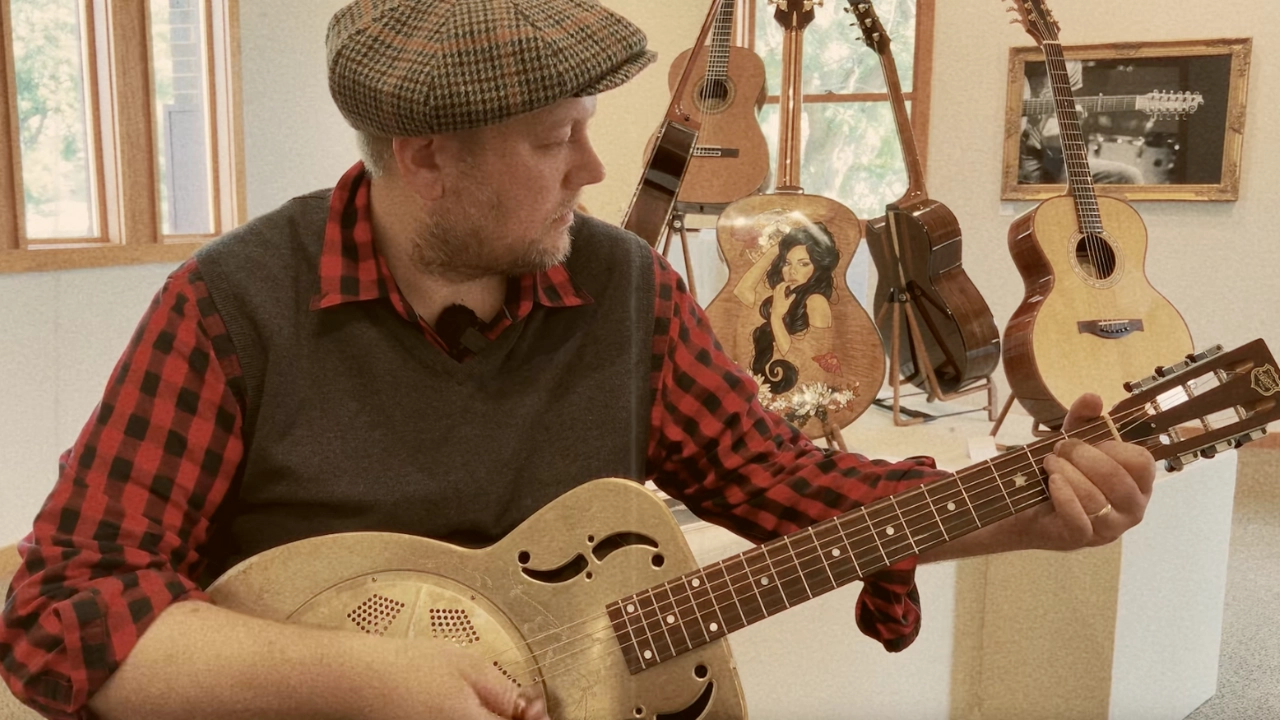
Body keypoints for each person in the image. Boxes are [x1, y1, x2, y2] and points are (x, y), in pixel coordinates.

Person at [1, 1, 1156, 719]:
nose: (593, 172)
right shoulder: (232, 307)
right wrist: (372, 678)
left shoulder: (622, 289)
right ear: (427, 159)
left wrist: (1026, 511)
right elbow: (60, 608)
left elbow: (792, 488)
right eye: (555, 139)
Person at [732, 221, 840, 395]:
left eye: (803, 264)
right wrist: (773, 251)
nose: (792, 271)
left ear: (817, 268)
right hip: (773, 389)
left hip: (801, 390)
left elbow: (799, 360)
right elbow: (741, 291)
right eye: (787, 263)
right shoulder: (784, 296)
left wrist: (776, 316)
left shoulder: (816, 301)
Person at [1019, 59, 1146, 185]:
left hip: (1044, 160)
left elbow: (1051, 139)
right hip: (1015, 159)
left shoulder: (1071, 64)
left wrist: (1067, 124)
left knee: (1129, 177)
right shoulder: (1016, 60)